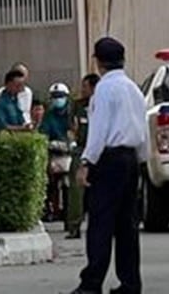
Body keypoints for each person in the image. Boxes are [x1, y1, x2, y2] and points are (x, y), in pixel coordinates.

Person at [70, 37, 147, 294]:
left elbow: (99, 130)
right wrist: (141, 160)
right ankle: (130, 282)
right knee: (127, 226)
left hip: (109, 159)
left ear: (98, 61)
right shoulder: (134, 89)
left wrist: (86, 162)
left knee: (101, 223)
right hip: (130, 159)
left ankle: (92, 283)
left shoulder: (104, 89)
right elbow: (142, 128)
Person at [65, 73, 99, 240]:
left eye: (85, 87)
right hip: (81, 149)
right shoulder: (77, 105)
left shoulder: (102, 104)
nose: (83, 90)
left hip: (99, 150)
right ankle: (74, 225)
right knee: (76, 190)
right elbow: (71, 126)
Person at [41, 82, 75, 221]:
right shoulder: (49, 115)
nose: (58, 99)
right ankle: (52, 209)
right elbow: (44, 133)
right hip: (54, 153)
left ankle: (69, 211)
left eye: (60, 96)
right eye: (55, 97)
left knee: (70, 184)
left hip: (70, 153)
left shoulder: (71, 115)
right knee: (51, 183)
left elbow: (75, 131)